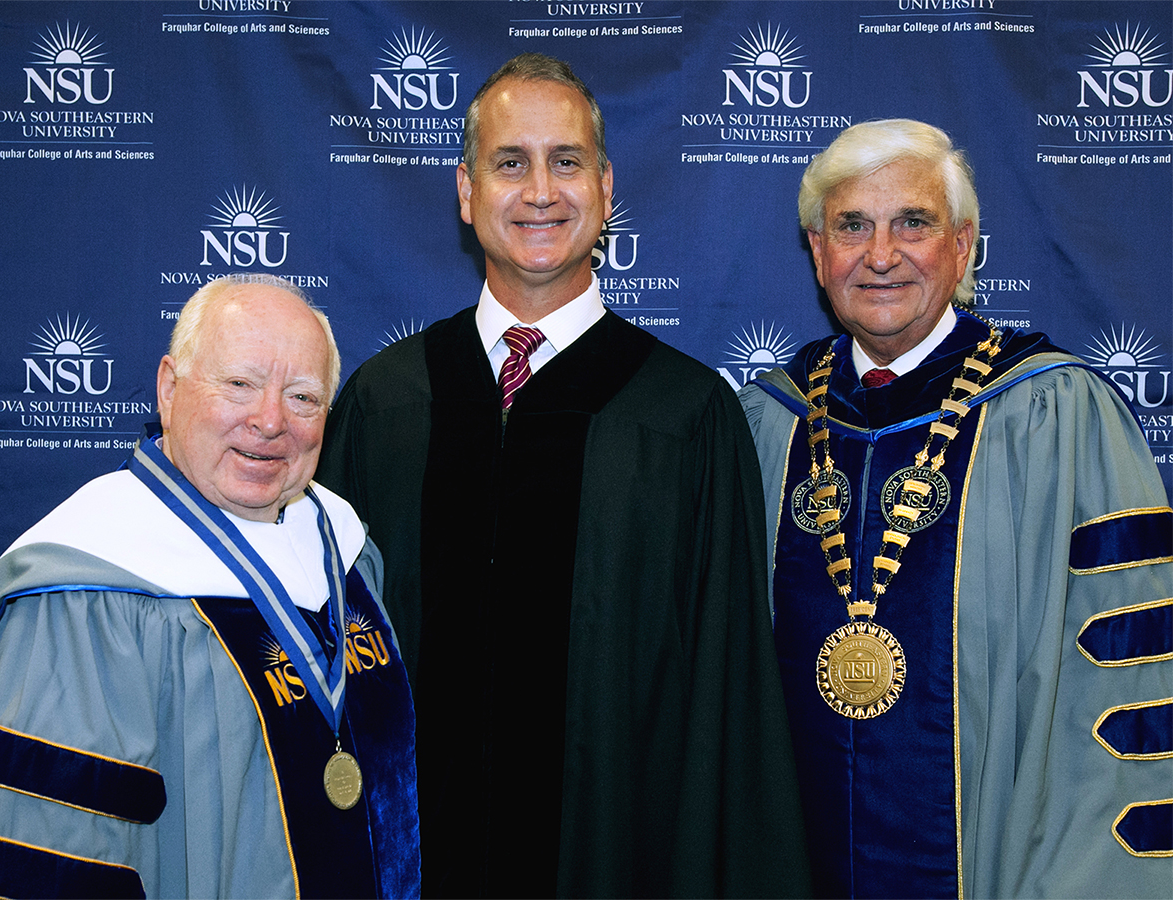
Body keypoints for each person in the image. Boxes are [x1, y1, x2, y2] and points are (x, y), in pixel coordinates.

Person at [316, 53, 809, 898]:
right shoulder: (384, 402)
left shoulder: (688, 415)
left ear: (607, 189)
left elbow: (726, 705)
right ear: (466, 192)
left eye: (567, 161)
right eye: (511, 163)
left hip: (621, 860)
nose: (540, 191)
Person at [738, 118, 1173, 899]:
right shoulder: (766, 421)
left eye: (914, 222)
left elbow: (1124, 684)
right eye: (852, 226)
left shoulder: (1057, 414)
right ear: (816, 251)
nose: (880, 255)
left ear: (964, 245)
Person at [0, 275, 420, 899]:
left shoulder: (343, 548)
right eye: (239, 384)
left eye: (302, 397)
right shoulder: (82, 599)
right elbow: (32, 869)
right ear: (169, 388)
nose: (270, 421)